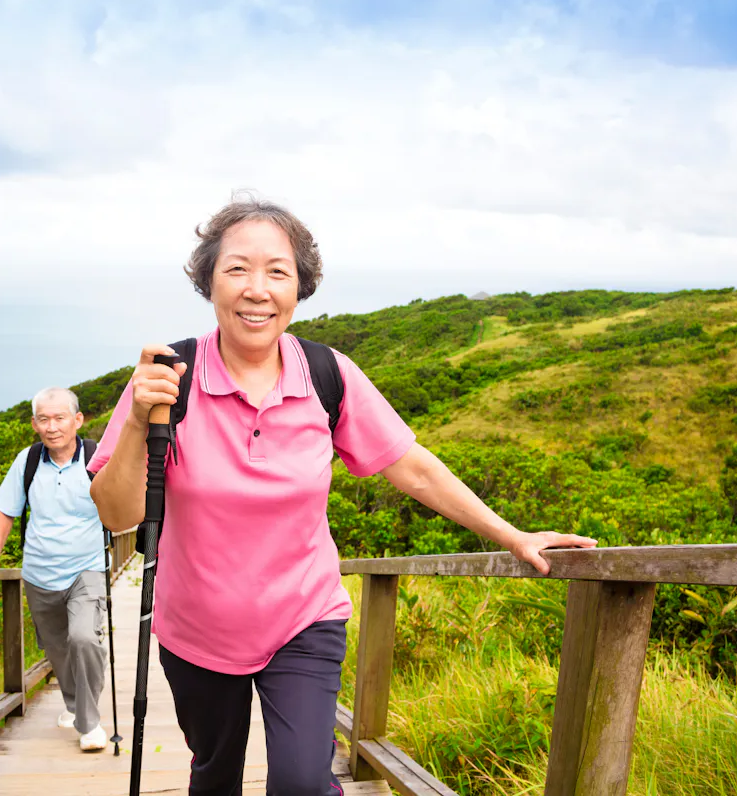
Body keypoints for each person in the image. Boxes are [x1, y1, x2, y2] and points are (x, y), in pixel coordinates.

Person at [87, 196, 597, 794]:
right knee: (214, 774)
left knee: (304, 783)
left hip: (304, 617)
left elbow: (414, 468)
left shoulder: (328, 375)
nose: (258, 289)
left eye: (278, 271)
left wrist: (512, 535)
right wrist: (134, 422)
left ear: (300, 287)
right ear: (208, 281)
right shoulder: (169, 377)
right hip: (196, 627)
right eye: (237, 269)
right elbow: (119, 513)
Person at [0, 386, 109, 752]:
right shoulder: (27, 462)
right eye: (43, 419)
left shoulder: (97, 459)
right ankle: (77, 707)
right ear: (34, 424)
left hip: (88, 569)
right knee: (58, 650)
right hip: (40, 574)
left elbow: (123, 501)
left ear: (78, 420)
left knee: (84, 638)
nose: (52, 426)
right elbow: (6, 511)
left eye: (60, 417)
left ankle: (89, 725)